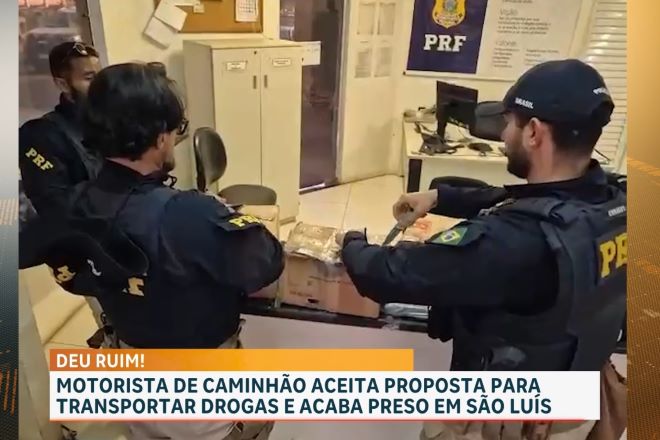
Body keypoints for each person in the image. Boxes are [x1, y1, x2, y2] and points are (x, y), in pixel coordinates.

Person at [337, 59, 626, 440]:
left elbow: (388, 274)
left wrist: (351, 241)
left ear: (534, 132)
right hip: (580, 400)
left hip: (508, 422)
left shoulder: (512, 242)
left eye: (509, 123)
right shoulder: (613, 203)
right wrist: (440, 197)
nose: (503, 134)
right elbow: (528, 198)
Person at [38, 62, 284, 440]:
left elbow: (76, 277)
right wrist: (217, 217)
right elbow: (267, 263)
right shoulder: (189, 214)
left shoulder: (73, 206)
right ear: (159, 138)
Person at [19, 41, 102, 218]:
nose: (100, 86)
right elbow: (55, 205)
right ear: (63, 85)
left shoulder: (110, 123)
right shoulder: (39, 135)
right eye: (89, 78)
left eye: (101, 77)